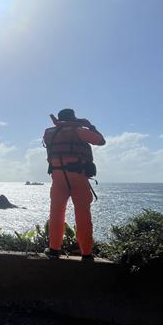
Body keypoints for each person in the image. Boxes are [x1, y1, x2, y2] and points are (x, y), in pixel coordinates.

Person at [43, 109, 105, 261]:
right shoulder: (79, 131)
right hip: (78, 178)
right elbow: (101, 141)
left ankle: (54, 250)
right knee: (83, 215)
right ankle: (86, 253)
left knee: (56, 214)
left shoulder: (49, 133)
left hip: (58, 179)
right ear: (73, 118)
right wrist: (88, 124)